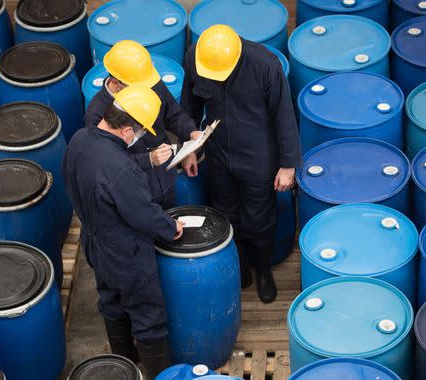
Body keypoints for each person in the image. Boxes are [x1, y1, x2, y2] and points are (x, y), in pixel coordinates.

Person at [64, 85, 183, 379]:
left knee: (111, 302)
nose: (142, 135)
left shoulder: (80, 140)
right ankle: (159, 374)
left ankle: (124, 365)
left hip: (95, 242)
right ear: (127, 130)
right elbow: (141, 212)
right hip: (127, 253)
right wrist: (170, 227)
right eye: (141, 130)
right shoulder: (119, 167)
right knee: (148, 315)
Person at [180, 25, 301, 304]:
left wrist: (288, 165)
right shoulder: (196, 58)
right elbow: (189, 107)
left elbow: (285, 116)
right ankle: (241, 267)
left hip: (258, 154)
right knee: (225, 212)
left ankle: (262, 272)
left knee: (259, 217)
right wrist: (189, 149)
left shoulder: (266, 65)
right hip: (218, 151)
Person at [85, 40, 201, 209]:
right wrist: (148, 160)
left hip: (165, 176)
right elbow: (106, 162)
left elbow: (173, 115)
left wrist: (190, 135)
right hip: (134, 191)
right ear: (117, 82)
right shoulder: (97, 114)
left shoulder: (148, 83)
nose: (146, 92)